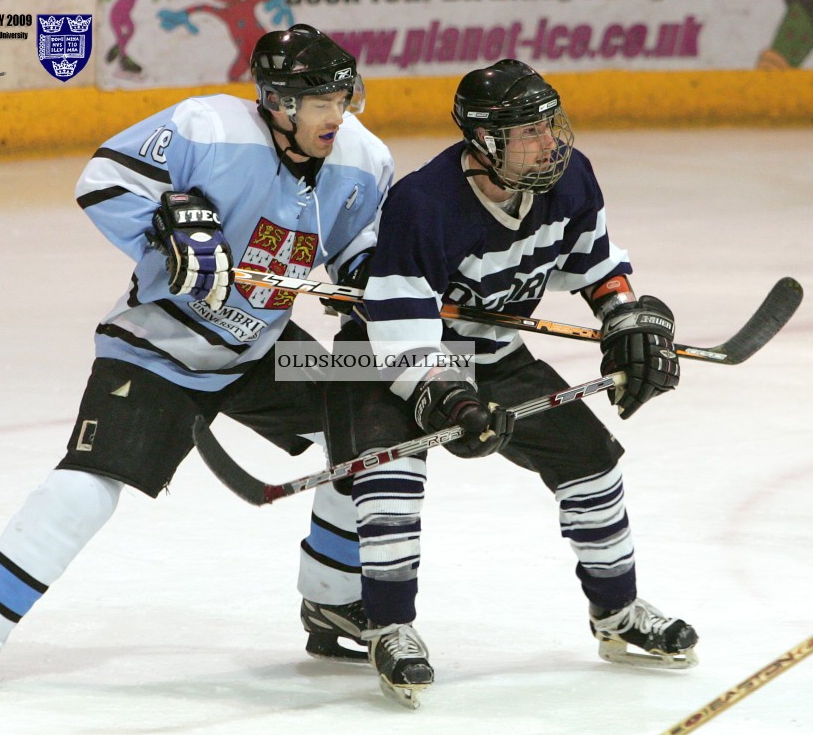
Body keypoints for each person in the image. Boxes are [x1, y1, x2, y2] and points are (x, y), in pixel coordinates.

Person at [0, 24, 393, 697]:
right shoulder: (207, 128)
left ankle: (333, 597)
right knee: (88, 484)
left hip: (260, 348)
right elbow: (104, 178)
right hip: (159, 344)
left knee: (373, 433)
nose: (336, 117)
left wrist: (374, 284)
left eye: (343, 99)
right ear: (279, 102)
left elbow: (359, 248)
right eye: (320, 103)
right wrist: (169, 225)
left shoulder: (363, 160)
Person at [295, 59, 698, 708]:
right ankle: (391, 626)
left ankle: (617, 614)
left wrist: (624, 314)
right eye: (529, 132)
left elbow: (595, 262)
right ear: (485, 142)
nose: (549, 141)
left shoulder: (569, 179)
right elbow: (399, 330)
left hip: (492, 351)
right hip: (385, 356)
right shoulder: (424, 205)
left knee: (592, 465)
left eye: (549, 124)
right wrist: (446, 395)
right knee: (393, 475)